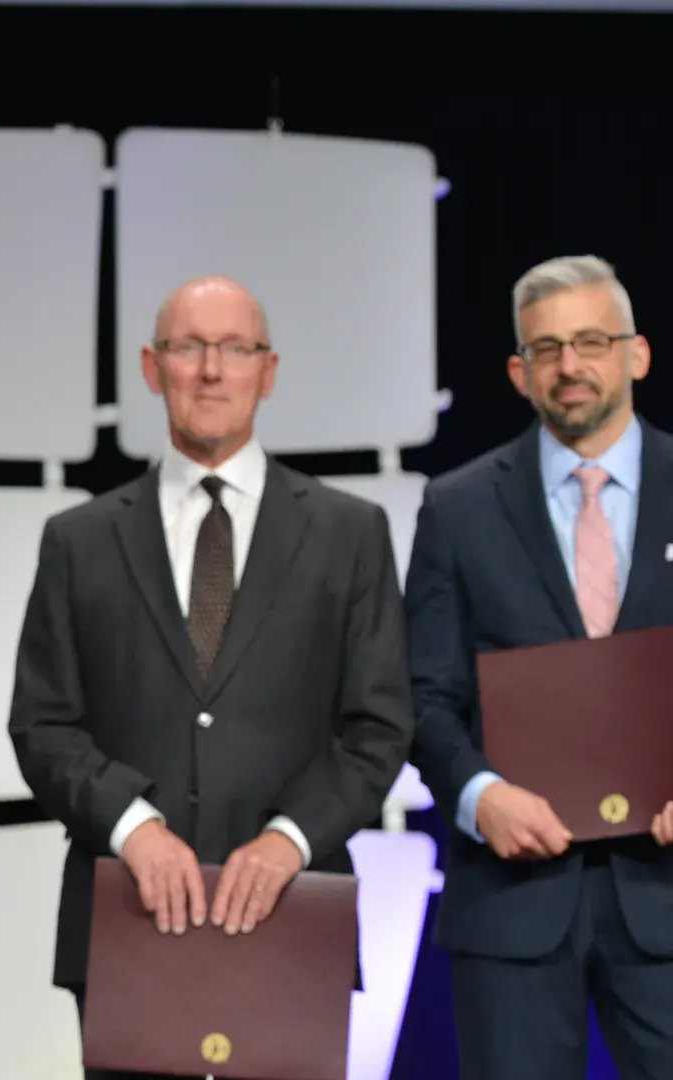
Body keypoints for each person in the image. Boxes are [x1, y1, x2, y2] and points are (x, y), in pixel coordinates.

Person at [6, 275, 414, 1078]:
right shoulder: (79, 540)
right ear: (152, 368)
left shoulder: (350, 533)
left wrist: (288, 839)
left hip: (295, 910)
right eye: (190, 348)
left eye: (236, 349)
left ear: (269, 369)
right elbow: (43, 723)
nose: (212, 371)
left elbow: (379, 725)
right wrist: (135, 828)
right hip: (130, 913)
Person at [406, 254, 673, 1078]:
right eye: (548, 349)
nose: (571, 366)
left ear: (637, 354)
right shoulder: (458, 506)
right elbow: (423, 695)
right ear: (520, 373)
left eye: (592, 340)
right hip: (513, 905)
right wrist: (481, 797)